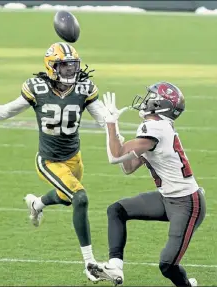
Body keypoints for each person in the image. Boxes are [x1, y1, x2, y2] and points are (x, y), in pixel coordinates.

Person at [0, 42, 108, 282]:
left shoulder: (85, 87)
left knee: (65, 198)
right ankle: (89, 263)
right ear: (52, 67)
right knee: (79, 198)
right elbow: (3, 112)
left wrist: (114, 127)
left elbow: (103, 120)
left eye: (73, 66)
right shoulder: (36, 88)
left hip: (74, 158)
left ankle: (37, 204)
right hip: (49, 160)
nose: (70, 72)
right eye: (64, 67)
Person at [88, 82, 206, 286]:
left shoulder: (154, 127)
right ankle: (115, 266)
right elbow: (128, 167)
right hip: (167, 197)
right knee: (116, 210)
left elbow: (115, 156)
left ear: (160, 104)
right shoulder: (159, 127)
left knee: (167, 265)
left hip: (187, 203)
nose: (145, 100)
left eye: (150, 96)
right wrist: (115, 131)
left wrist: (110, 123)